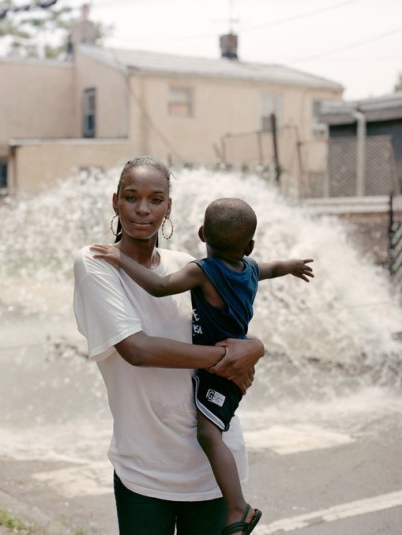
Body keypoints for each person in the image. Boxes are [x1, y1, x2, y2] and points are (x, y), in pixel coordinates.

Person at [91, 197, 314, 535]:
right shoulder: (250, 268)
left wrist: (120, 259)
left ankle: (239, 508)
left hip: (221, 371)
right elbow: (271, 269)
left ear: (201, 234)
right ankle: (237, 504)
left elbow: (159, 286)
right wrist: (292, 265)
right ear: (250, 245)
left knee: (209, 434)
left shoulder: (203, 271)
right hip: (233, 363)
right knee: (213, 431)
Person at [73, 157, 265, 535]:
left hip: (212, 465)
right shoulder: (97, 262)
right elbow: (137, 350)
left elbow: (235, 328)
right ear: (116, 202)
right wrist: (231, 357)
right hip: (145, 468)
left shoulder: (189, 267)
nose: (143, 209)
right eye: (131, 197)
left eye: (156, 199)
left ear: (169, 207)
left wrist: (255, 346)